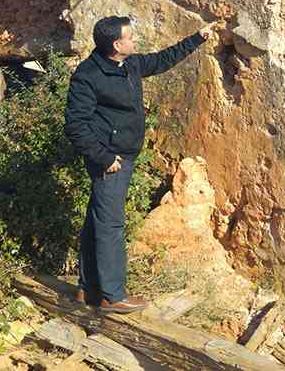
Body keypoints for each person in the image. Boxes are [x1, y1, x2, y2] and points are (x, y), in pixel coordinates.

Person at [64, 16, 215, 313]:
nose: (136, 40)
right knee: (110, 225)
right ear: (117, 45)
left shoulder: (130, 64)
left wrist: (198, 38)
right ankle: (111, 295)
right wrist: (104, 158)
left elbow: (162, 60)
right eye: (131, 37)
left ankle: (88, 289)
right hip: (111, 160)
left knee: (98, 220)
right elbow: (75, 125)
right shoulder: (88, 75)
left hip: (124, 155)